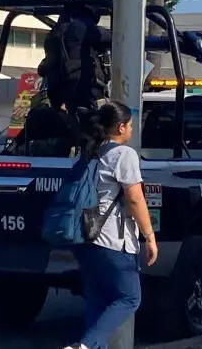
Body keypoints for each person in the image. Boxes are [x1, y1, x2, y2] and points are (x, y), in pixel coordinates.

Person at [65, 102, 158, 349]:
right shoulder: (123, 154)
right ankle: (83, 347)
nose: (131, 130)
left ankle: (90, 346)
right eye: (130, 125)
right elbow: (135, 198)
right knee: (130, 297)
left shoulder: (88, 152)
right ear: (120, 127)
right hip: (112, 241)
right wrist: (149, 236)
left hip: (85, 238)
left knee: (98, 301)